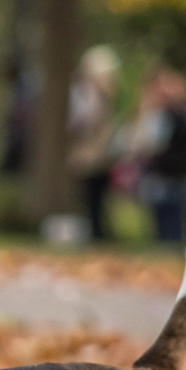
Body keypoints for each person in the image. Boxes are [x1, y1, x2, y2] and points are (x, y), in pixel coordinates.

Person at [126, 67, 186, 242]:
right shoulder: (150, 114)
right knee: (161, 226)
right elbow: (139, 143)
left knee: (176, 225)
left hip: (181, 175)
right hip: (159, 176)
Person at [67, 45, 120, 241]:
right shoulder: (83, 94)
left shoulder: (104, 95)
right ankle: (94, 235)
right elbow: (81, 125)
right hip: (89, 155)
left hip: (102, 154)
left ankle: (99, 234)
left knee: (100, 198)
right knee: (91, 199)